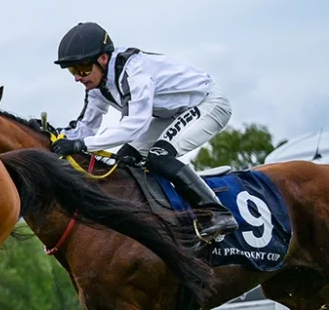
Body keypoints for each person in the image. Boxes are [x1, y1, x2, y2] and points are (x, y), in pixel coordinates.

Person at [50, 21, 238, 243]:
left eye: (82, 68)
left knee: (159, 156)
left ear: (103, 58)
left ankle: (217, 213)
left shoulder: (134, 72)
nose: (77, 77)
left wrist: (83, 145)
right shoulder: (97, 86)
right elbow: (85, 127)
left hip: (207, 103)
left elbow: (134, 125)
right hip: (166, 114)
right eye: (73, 70)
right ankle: (163, 221)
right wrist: (52, 136)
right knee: (124, 161)